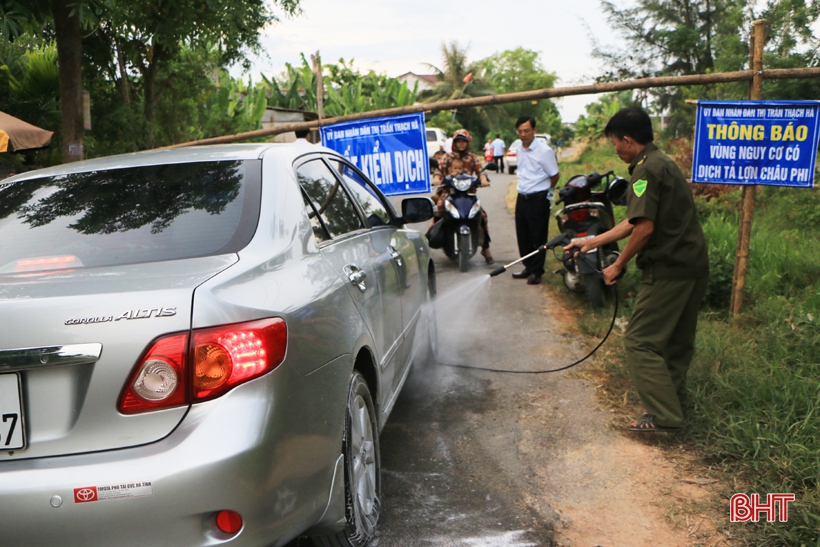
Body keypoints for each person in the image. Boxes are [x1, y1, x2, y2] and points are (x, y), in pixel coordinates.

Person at [565, 107, 709, 432]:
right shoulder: (663, 162)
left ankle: (664, 419)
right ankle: (674, 408)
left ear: (628, 140)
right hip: (692, 263)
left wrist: (618, 264)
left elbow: (643, 228)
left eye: (615, 142)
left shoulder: (645, 171)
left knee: (640, 340)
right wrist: (590, 242)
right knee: (675, 342)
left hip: (668, 268)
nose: (614, 149)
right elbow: (633, 222)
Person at [511, 116, 560, 285]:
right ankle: (528, 266)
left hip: (538, 198)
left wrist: (544, 193)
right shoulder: (519, 149)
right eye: (520, 131)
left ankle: (537, 271)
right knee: (523, 235)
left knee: (538, 236)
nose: (523, 135)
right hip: (522, 197)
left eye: (527, 131)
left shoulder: (544, 151)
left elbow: (555, 176)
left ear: (534, 131)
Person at [437, 129, 493, 264]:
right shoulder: (447, 157)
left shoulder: (473, 158)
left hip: (469, 195)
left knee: (482, 216)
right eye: (458, 141)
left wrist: (484, 179)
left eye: (464, 141)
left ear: (468, 142)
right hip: (449, 193)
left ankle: (485, 248)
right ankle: (432, 238)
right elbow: (438, 171)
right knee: (437, 209)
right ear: (454, 142)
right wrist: (437, 179)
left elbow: (481, 172)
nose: (461, 144)